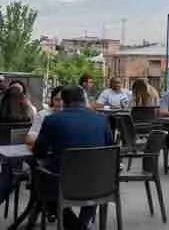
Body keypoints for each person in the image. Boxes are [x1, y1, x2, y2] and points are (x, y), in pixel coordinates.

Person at [32, 85, 113, 230]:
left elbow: (39, 152)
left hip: (63, 184)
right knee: (93, 177)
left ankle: (76, 227)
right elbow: (109, 149)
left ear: (64, 101)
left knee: (40, 183)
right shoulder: (102, 119)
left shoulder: (52, 120)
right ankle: (82, 224)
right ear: (84, 100)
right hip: (99, 184)